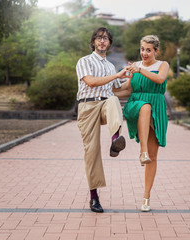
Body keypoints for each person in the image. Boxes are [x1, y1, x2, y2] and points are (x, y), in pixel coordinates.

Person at [76, 27, 129, 213]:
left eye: (105, 38)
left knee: (113, 100)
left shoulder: (110, 66)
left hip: (105, 104)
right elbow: (91, 82)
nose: (102, 41)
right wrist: (117, 75)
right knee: (92, 152)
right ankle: (94, 197)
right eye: (98, 38)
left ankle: (115, 140)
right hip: (87, 107)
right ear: (93, 42)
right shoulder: (84, 61)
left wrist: (135, 76)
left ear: (109, 44)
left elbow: (118, 90)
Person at [113, 35, 169, 212]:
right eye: (142, 49)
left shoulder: (163, 65)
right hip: (136, 105)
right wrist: (110, 89)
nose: (144, 53)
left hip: (157, 109)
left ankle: (146, 198)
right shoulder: (135, 67)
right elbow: (127, 89)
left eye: (148, 50)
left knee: (153, 157)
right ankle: (142, 151)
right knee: (145, 107)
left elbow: (160, 80)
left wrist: (139, 69)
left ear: (156, 51)